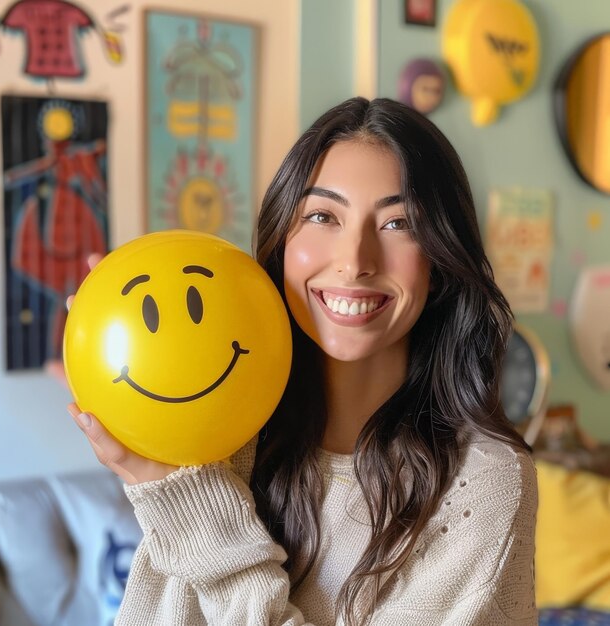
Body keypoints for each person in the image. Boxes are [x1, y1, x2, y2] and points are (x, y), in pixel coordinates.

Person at [67, 97, 538, 625]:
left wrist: (191, 509)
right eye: (322, 216)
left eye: (398, 223)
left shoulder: (481, 481)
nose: (355, 261)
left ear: (441, 259)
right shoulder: (226, 425)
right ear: (283, 239)